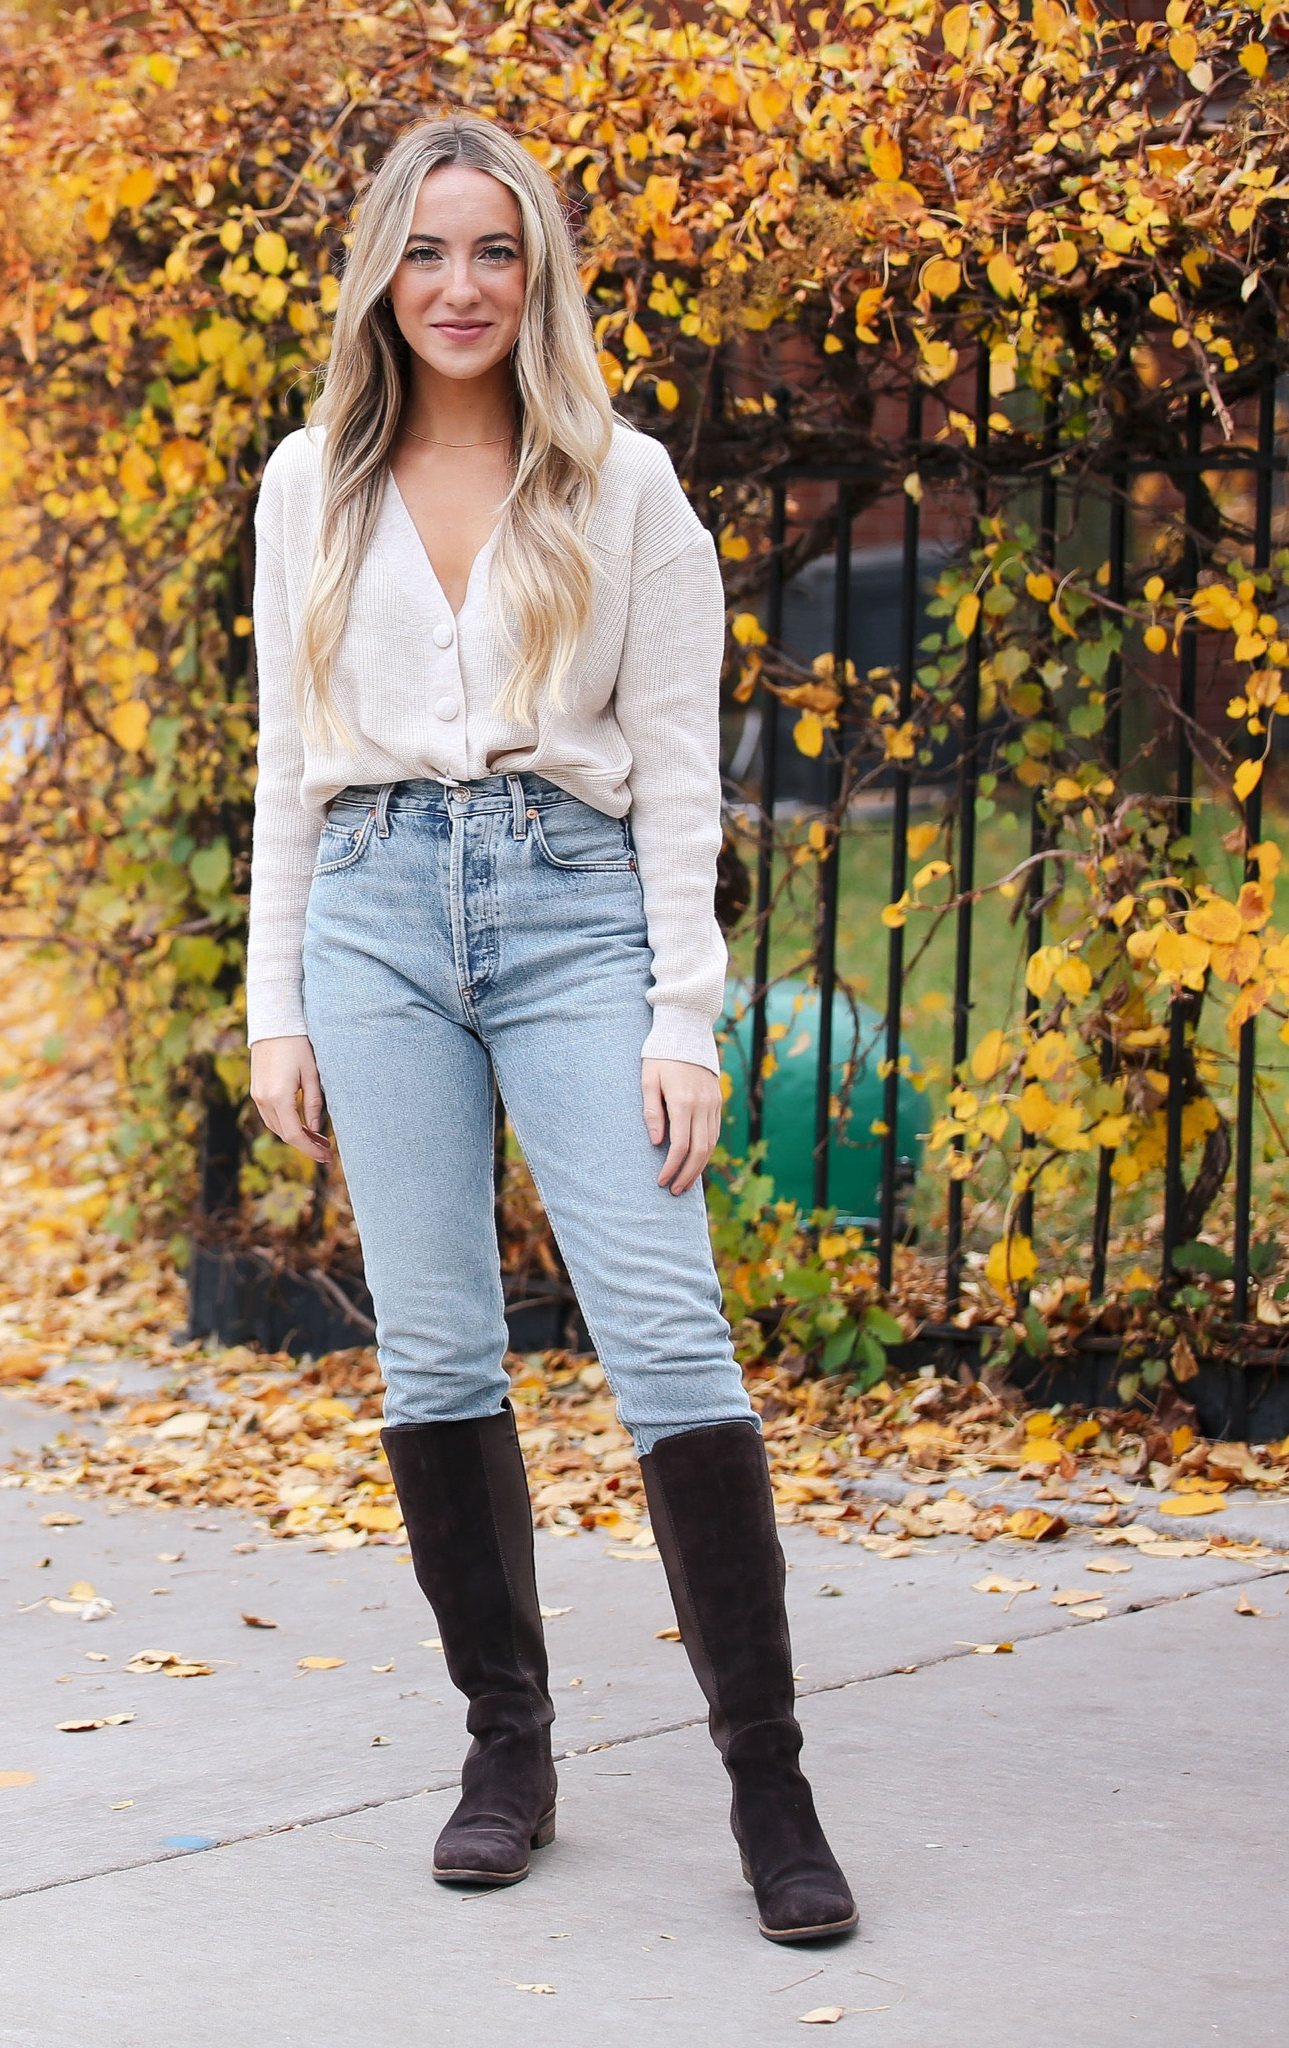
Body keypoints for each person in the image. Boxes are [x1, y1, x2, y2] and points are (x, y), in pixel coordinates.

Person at [244, 115, 856, 1945]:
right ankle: (506, 1749)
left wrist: (688, 1017)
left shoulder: (625, 484)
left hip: (572, 909)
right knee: (434, 1349)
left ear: (539, 275)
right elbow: (287, 759)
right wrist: (278, 1001)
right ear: (381, 275)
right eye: (426, 253)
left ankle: (773, 1784)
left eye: (492, 252)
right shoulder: (309, 485)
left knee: (669, 1331)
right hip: (372, 915)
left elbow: (683, 777)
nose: (457, 288)